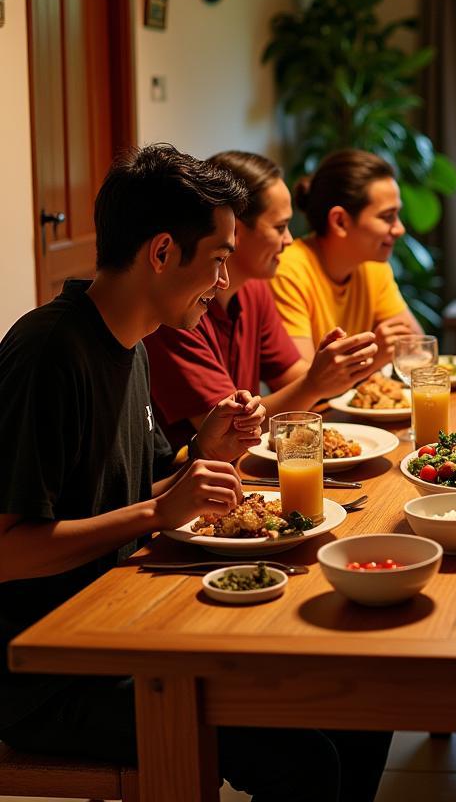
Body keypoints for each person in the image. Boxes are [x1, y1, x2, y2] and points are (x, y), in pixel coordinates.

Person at [0, 145, 391, 802]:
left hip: (128, 623)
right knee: (304, 757)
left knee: (360, 700)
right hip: (49, 673)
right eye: (215, 260)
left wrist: (204, 457)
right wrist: (157, 513)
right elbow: (9, 549)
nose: (222, 282)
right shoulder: (49, 353)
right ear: (160, 253)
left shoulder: (131, 346)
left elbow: (136, 498)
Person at [146, 151, 378, 450]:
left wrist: (333, 369)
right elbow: (226, 431)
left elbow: (292, 379)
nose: (290, 240)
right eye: (280, 227)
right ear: (235, 230)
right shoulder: (180, 307)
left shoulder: (253, 290)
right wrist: (315, 383)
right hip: (193, 479)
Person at [271, 148, 422, 372]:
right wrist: (374, 359)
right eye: (387, 217)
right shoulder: (289, 270)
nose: (400, 229)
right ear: (340, 221)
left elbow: (417, 351)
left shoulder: (373, 265)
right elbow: (304, 382)